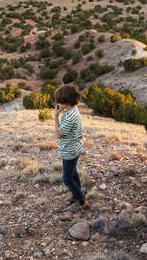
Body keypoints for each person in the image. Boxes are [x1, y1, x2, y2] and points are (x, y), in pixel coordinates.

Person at [54, 83, 87, 212]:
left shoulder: (69, 116)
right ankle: (76, 193)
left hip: (70, 151)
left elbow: (59, 134)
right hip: (73, 148)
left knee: (67, 178)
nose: (57, 104)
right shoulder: (73, 110)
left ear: (66, 102)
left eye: (59, 101)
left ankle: (80, 200)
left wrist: (56, 116)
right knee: (73, 173)